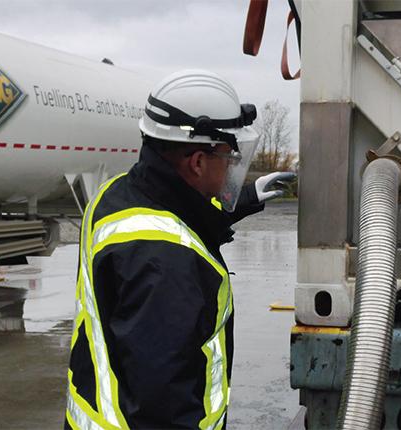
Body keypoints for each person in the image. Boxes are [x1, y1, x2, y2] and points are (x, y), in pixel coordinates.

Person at [64, 69, 295, 429]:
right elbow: (164, 405)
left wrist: (245, 198)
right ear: (198, 161)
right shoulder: (166, 263)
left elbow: (181, 215)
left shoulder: (116, 195)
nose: (234, 166)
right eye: (229, 158)